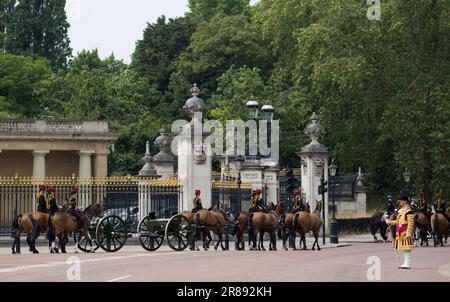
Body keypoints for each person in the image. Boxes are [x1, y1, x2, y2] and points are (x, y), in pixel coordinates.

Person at [385, 195, 415, 269]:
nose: (400, 202)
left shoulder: (409, 211)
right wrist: (389, 221)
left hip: (405, 231)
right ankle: (405, 263)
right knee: (403, 248)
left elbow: (410, 222)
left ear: (405, 201)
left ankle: (408, 264)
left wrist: (408, 232)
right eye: (400, 200)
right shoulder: (401, 210)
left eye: (401, 200)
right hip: (400, 231)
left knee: (406, 248)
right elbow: (398, 222)